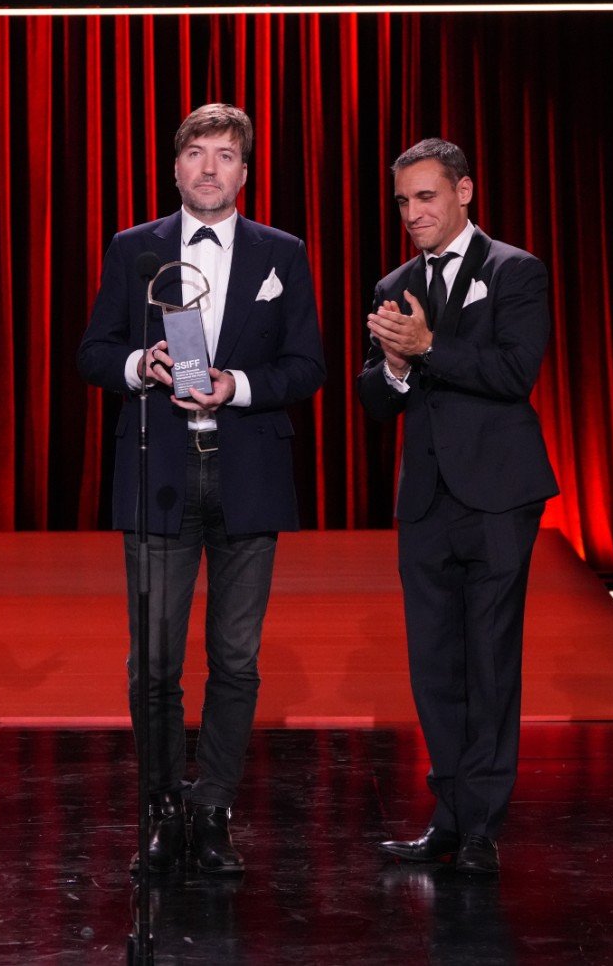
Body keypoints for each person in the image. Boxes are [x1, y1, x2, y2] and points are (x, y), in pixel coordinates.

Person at [77, 103, 325, 875]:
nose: (210, 168)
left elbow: (307, 366)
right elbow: (93, 351)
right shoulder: (133, 249)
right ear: (175, 167)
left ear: (245, 172)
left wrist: (238, 384)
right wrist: (137, 366)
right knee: (152, 660)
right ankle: (160, 807)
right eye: (197, 154)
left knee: (236, 657)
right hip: (158, 471)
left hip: (247, 471)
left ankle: (213, 809)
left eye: (225, 155)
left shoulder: (281, 251)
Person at [359, 138, 557, 875]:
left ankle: (481, 823)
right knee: (434, 664)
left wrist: (429, 346)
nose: (413, 214)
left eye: (427, 197)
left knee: (490, 660)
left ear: (464, 191)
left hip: (500, 496)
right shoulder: (394, 280)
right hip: (427, 499)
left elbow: (515, 371)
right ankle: (449, 812)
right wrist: (395, 366)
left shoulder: (515, 269)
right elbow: (374, 397)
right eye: (404, 201)